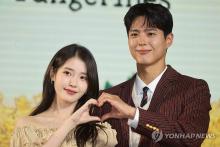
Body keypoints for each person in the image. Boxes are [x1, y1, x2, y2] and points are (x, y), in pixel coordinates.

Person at [98, 3, 211, 147]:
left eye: (150, 33)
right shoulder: (108, 97)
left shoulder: (193, 89)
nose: (141, 41)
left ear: (168, 40)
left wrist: (134, 114)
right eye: (134, 34)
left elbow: (191, 137)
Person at [10, 44, 117, 147]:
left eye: (83, 77)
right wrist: (70, 123)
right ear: (53, 74)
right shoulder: (26, 127)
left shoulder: (100, 134)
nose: (73, 83)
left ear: (89, 85)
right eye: (67, 73)